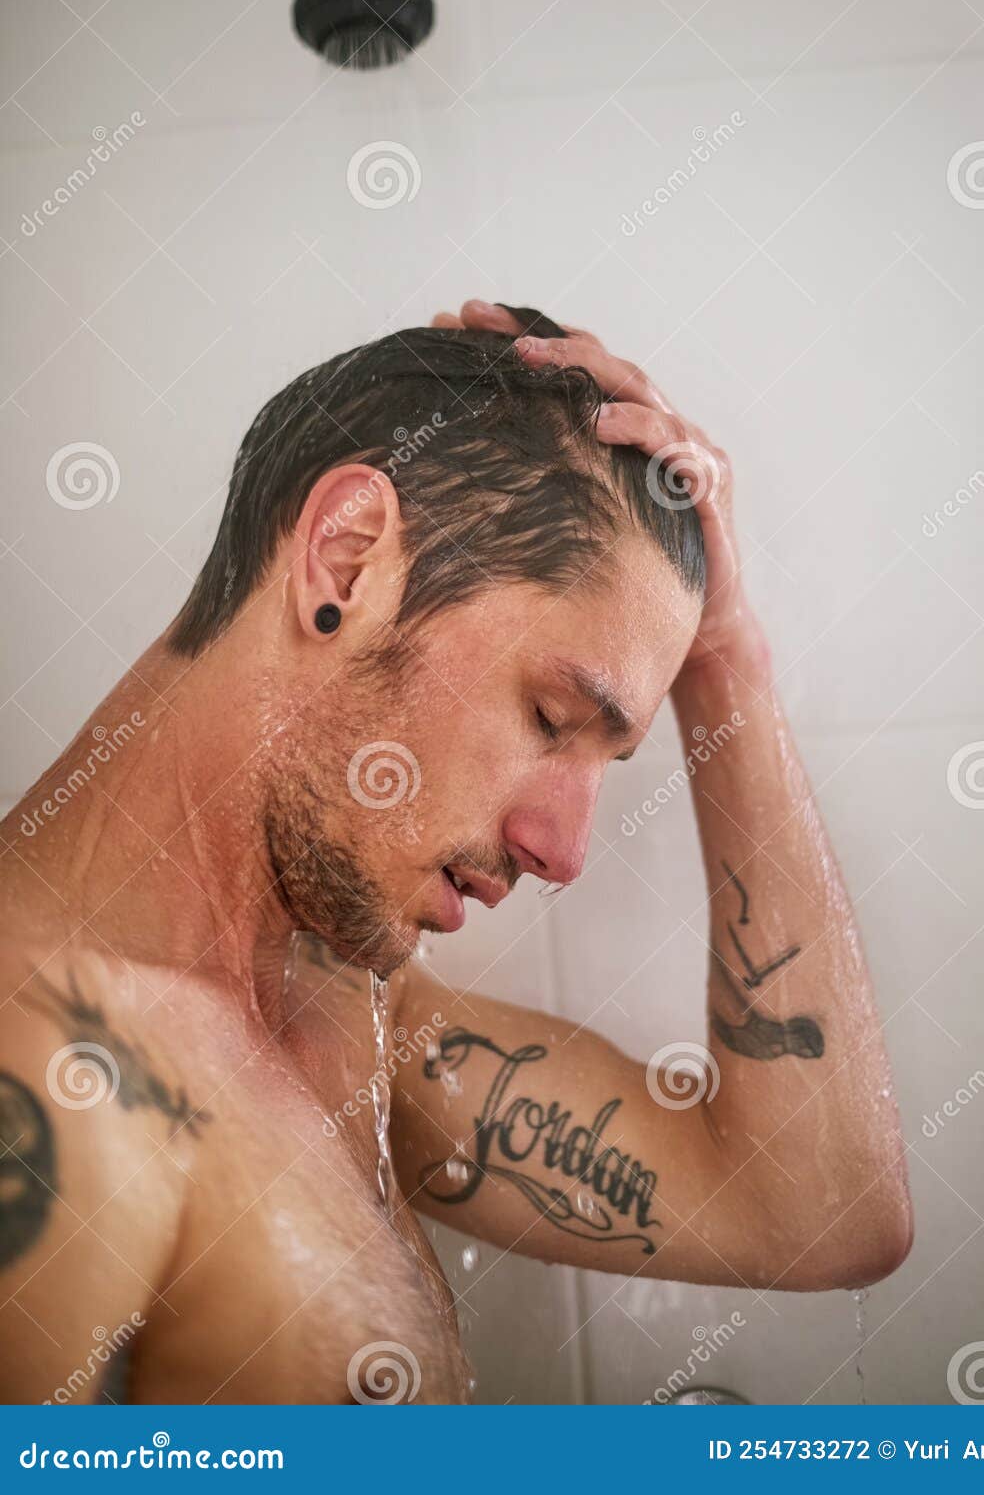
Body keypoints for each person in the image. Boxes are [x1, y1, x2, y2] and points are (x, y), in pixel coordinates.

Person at [0, 300, 911, 1405]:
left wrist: (723, 656)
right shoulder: (44, 1062)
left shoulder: (339, 1013)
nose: (562, 852)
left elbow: (817, 1214)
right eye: (550, 716)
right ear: (346, 563)